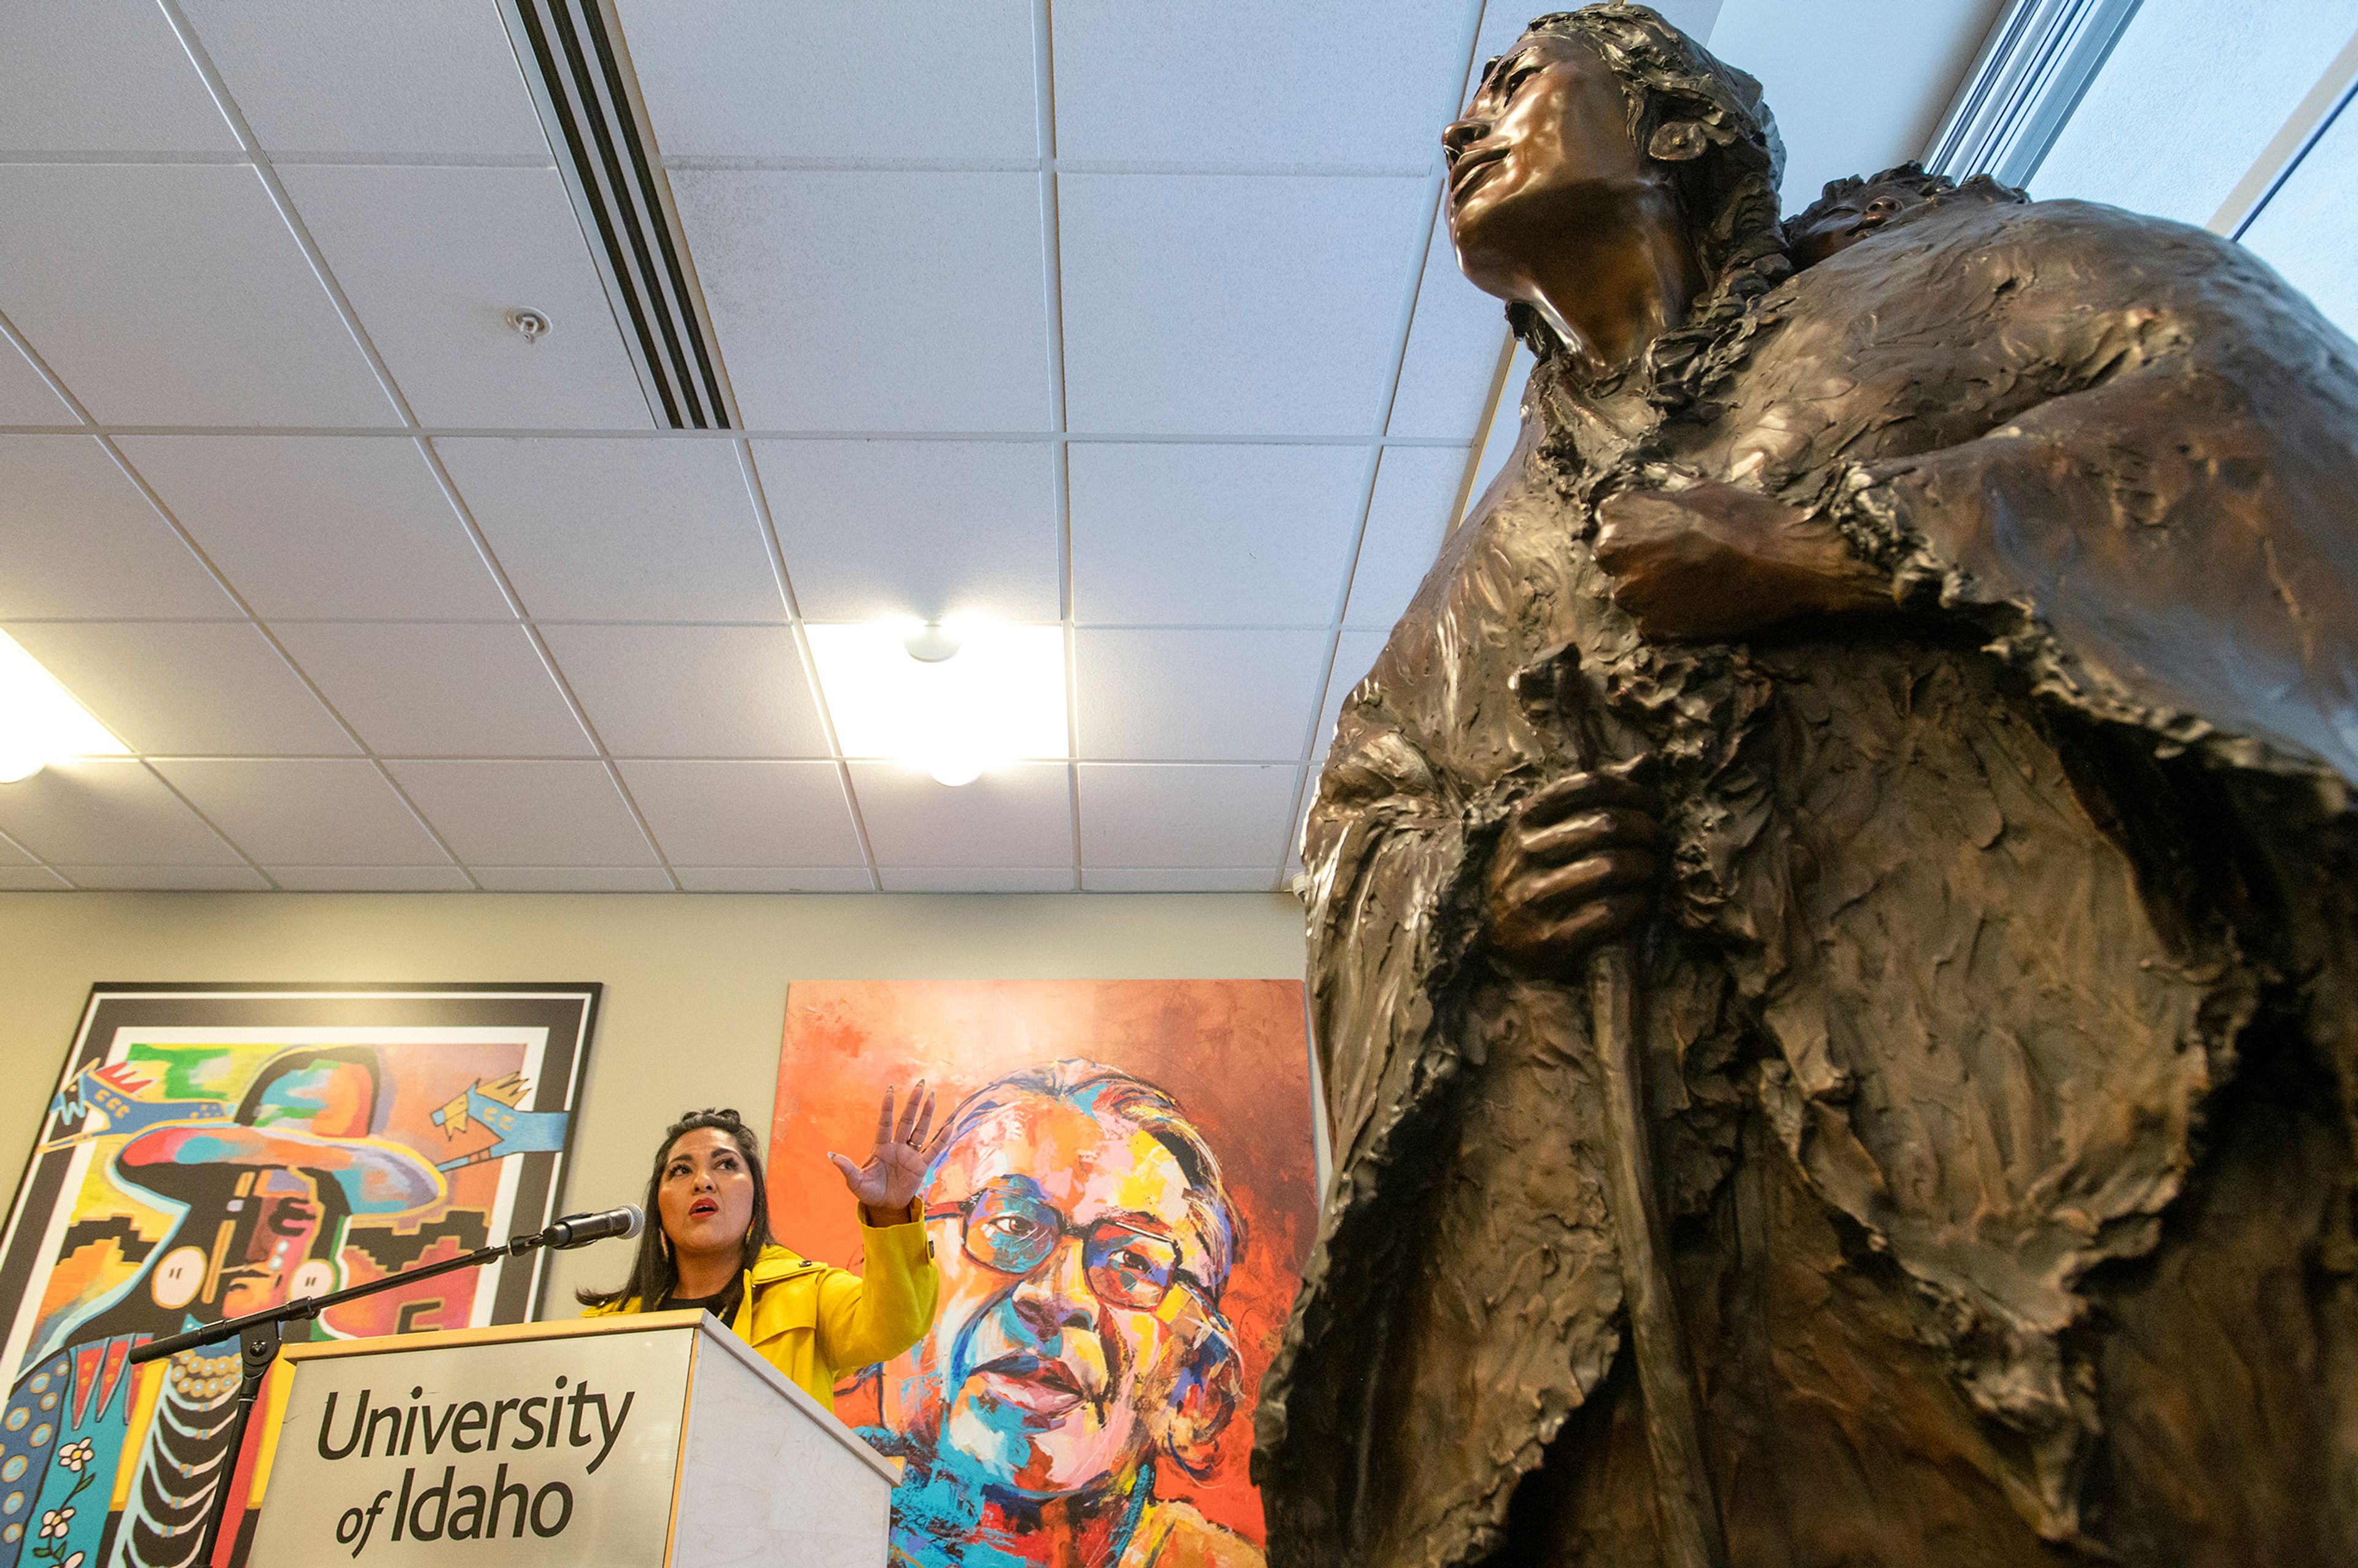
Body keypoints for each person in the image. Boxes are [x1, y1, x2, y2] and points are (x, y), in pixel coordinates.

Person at [1255, 6, 2358, 1567]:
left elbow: (2261, 398)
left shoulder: (1947, 280)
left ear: (1678, 129)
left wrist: (1836, 548)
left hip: (2036, 1108)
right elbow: (1359, 822)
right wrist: (1480, 882)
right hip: (1696, 1283)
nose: (1461, 124)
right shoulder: (1492, 553)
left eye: (1515, 80)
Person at [862, 1061, 1259, 1568]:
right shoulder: (793, 1513)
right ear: (891, 1281)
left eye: (1133, 1261)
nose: (1058, 1297)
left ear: (1198, 1379)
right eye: (1009, 1222)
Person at [578, 1095, 940, 1413]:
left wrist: (892, 1213)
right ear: (658, 1203)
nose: (703, 1181)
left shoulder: (809, 1293)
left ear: (755, 1199)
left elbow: (895, 1326)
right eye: (681, 1170)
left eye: (726, 1165)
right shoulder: (605, 1326)